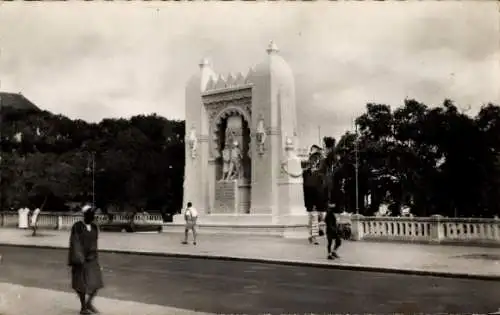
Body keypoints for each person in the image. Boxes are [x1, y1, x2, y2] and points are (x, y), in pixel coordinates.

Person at [68, 204, 104, 315]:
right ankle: (83, 307)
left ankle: (88, 303)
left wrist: (96, 258)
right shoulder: (77, 226)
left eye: (93, 214)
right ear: (85, 215)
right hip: (81, 260)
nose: (92, 216)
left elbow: (95, 244)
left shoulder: (94, 227)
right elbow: (75, 243)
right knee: (81, 285)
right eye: (90, 214)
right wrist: (79, 258)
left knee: (97, 283)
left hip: (92, 259)